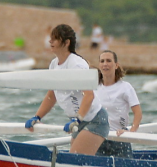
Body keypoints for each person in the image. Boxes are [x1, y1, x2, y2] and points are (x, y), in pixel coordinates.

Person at [26, 24, 108, 155]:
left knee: (75, 160)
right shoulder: (54, 64)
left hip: (94, 120)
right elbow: (51, 95)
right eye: (51, 38)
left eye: (55, 38)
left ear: (66, 42)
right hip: (78, 122)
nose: (50, 41)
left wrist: (77, 119)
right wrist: (37, 117)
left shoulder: (76, 64)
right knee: (76, 159)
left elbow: (89, 95)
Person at [94, 50, 141, 157]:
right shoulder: (94, 87)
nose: (105, 64)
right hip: (99, 136)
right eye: (102, 61)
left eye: (108, 61)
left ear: (116, 65)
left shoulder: (125, 87)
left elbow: (138, 113)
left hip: (119, 137)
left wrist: (132, 131)